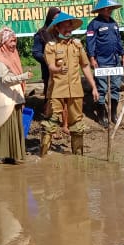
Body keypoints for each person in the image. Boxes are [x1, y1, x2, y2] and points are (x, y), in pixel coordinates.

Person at [41, 12, 98, 156]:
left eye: (70, 27)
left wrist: (94, 87)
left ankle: (78, 157)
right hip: (56, 90)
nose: (69, 29)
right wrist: (58, 69)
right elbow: (51, 67)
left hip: (76, 90)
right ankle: (43, 155)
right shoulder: (51, 46)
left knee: (77, 125)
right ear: (57, 28)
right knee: (50, 123)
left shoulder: (77, 45)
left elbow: (85, 66)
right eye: (65, 27)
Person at [0, 28, 32, 164]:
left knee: (14, 125)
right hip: (4, 97)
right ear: (4, 42)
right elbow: (5, 79)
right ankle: (0, 155)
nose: (14, 44)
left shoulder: (13, 55)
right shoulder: (0, 59)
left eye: (15, 41)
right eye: (11, 41)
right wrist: (23, 76)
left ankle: (13, 154)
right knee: (4, 124)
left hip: (14, 95)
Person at [86, 0, 124, 128]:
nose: (109, 10)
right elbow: (90, 43)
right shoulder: (93, 24)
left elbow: (118, 41)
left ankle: (113, 114)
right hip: (101, 61)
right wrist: (92, 58)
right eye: (106, 8)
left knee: (115, 87)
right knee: (102, 89)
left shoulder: (114, 23)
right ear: (100, 10)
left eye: (110, 8)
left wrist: (123, 55)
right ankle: (101, 115)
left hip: (115, 60)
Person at [32, 7, 60, 113]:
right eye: (54, 18)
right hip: (48, 70)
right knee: (49, 93)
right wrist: (48, 60)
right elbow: (36, 52)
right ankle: (48, 116)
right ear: (49, 18)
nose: (56, 21)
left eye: (58, 18)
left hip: (62, 69)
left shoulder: (61, 32)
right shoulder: (42, 34)